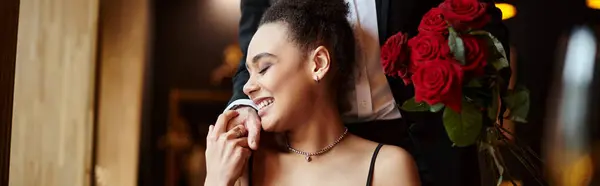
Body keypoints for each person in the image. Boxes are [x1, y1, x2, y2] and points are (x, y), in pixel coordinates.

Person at [224, 0, 510, 185]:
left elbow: (482, 18)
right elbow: (255, 45)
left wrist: (476, 88)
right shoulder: (258, 164)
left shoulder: (394, 164)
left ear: (319, 63)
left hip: (433, 138)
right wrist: (243, 104)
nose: (252, 82)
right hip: (324, 135)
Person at [205, 1, 420, 185]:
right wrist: (216, 179)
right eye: (248, 73)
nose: (246, 87)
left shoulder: (390, 167)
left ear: (318, 64)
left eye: (263, 68)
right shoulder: (243, 162)